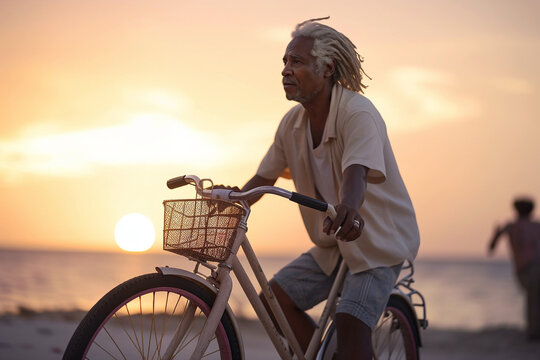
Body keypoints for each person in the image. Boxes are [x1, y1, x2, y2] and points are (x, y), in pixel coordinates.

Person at [231, 18, 420, 359]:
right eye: (285, 62)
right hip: (334, 244)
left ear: (327, 68)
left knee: (350, 323)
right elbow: (265, 178)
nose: (286, 70)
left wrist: (348, 205)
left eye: (298, 62)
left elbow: (356, 174)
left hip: (377, 241)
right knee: (273, 302)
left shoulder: (357, 113)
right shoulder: (292, 123)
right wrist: (234, 200)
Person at [488, 197, 540, 340]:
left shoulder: (513, 226)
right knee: (534, 298)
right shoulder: (530, 226)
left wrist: (495, 234)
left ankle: (533, 331)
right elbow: (492, 247)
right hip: (528, 269)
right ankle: (533, 330)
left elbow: (491, 248)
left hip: (529, 269)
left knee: (533, 298)